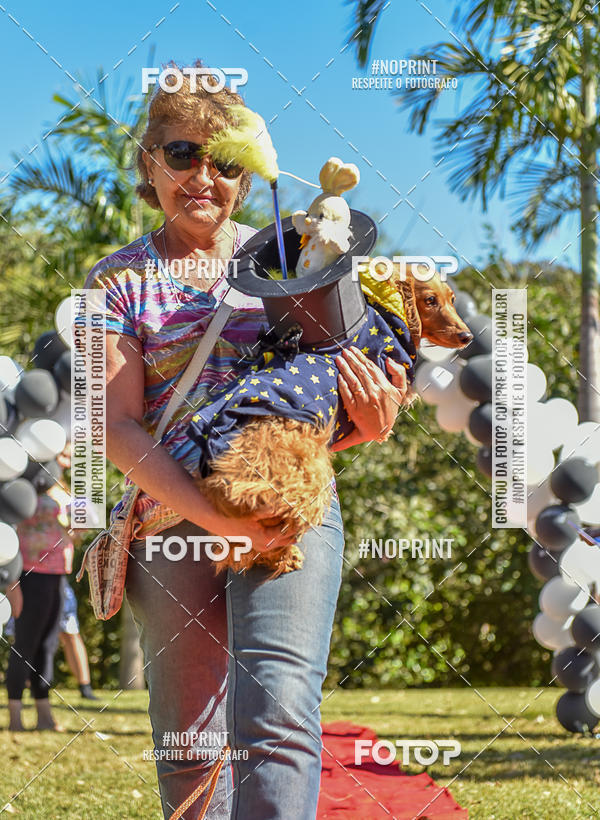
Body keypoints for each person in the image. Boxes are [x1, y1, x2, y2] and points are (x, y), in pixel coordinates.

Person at [85, 63, 408, 819]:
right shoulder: (116, 282)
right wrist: (217, 519)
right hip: (170, 522)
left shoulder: (290, 258)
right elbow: (114, 423)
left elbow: (327, 388)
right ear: (149, 162)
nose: (205, 175)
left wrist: (371, 422)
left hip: (287, 511)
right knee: (192, 750)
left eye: (226, 161)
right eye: (183, 154)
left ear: (246, 173)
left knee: (280, 714)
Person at [6, 448, 74, 731]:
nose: (67, 459)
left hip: (56, 573)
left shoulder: (62, 490)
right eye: (63, 455)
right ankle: (15, 717)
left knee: (47, 644)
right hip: (27, 575)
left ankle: (44, 714)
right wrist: (10, 582)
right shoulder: (18, 487)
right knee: (24, 644)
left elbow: (77, 526)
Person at [4, 580, 99, 701]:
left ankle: (85, 688)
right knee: (26, 638)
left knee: (70, 632)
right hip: (25, 580)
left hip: (55, 579)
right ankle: (32, 689)